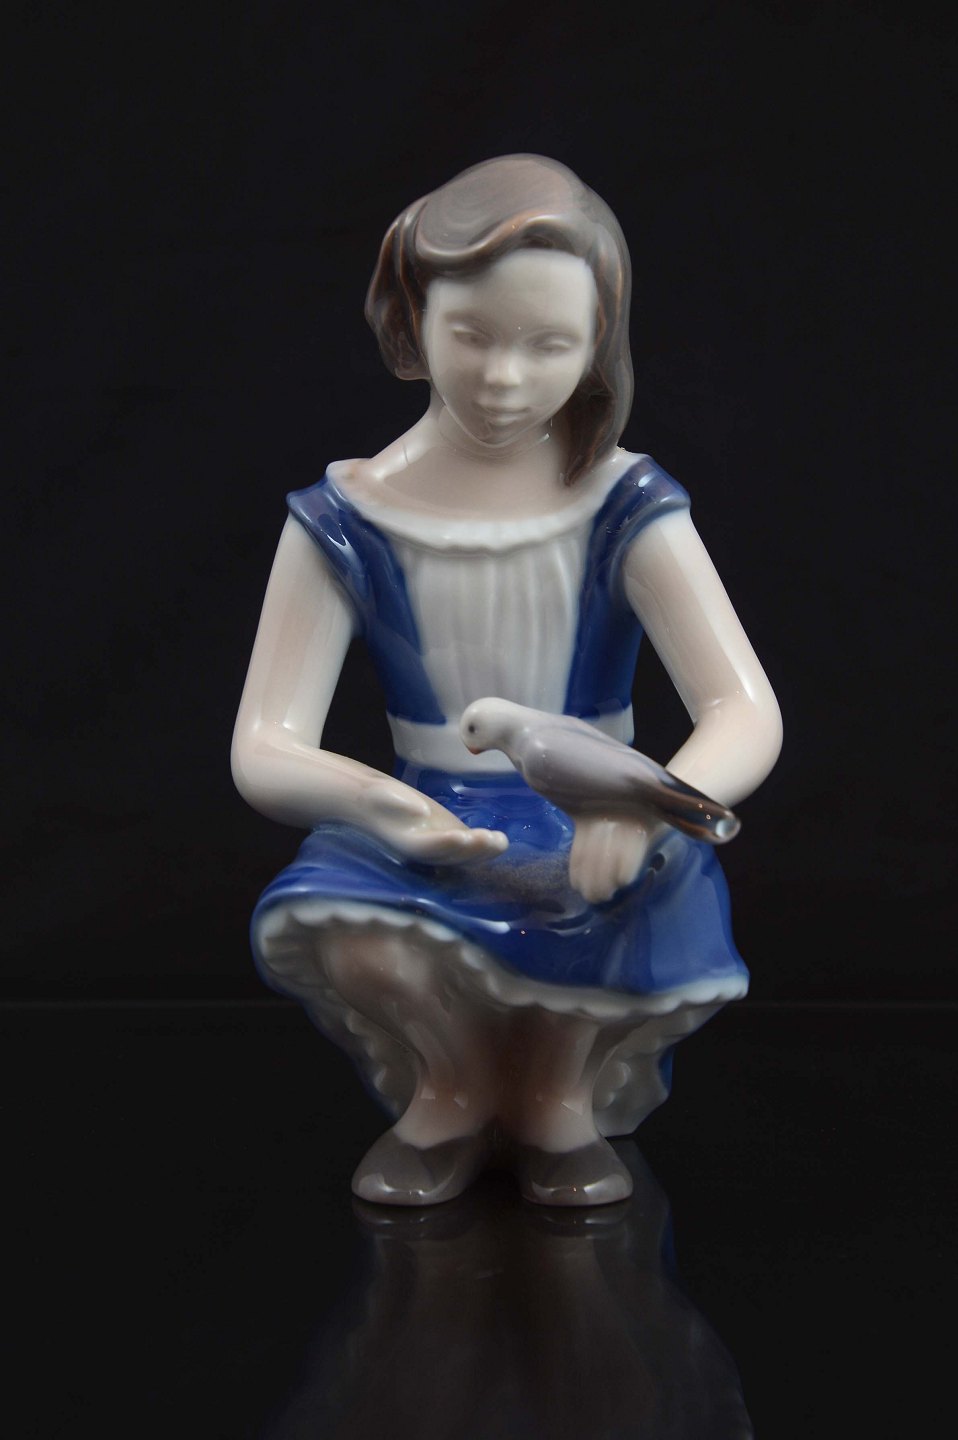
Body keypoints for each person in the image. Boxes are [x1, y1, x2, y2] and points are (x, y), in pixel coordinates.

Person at [232, 154, 782, 1207]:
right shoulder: (345, 518)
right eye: (471, 335)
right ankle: (450, 1091)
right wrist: (383, 808)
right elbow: (263, 745)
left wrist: (649, 806)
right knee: (354, 932)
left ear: (598, 343)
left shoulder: (624, 505)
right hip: (423, 809)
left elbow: (743, 708)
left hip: (594, 808)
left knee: (613, 900)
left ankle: (553, 1106)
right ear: (413, 318)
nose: (502, 379)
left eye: (548, 346)